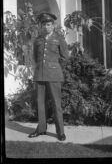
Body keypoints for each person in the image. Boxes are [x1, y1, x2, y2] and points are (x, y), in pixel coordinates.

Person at [28, 12, 69, 141]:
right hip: (39, 75)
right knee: (40, 104)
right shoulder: (38, 40)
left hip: (54, 75)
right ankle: (41, 129)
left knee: (56, 104)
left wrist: (55, 67)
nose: (46, 27)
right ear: (41, 26)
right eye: (44, 24)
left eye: (49, 24)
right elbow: (35, 57)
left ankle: (60, 132)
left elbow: (65, 57)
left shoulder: (59, 39)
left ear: (53, 25)